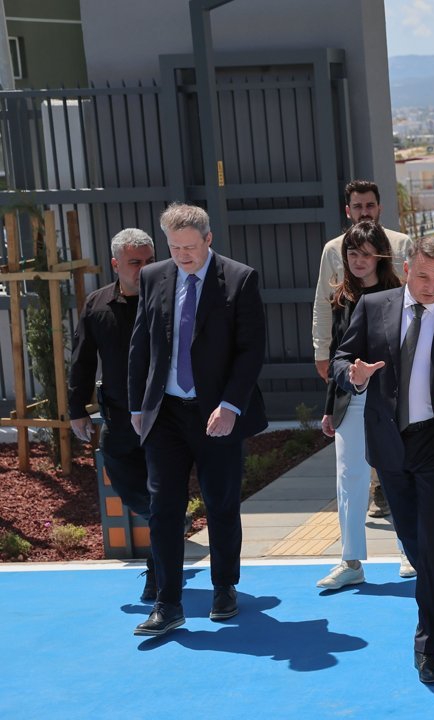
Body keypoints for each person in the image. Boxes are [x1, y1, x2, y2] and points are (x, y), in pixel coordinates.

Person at [332, 237, 434, 685]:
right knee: (410, 536)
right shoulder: (373, 307)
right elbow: (342, 358)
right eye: (422, 276)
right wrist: (353, 375)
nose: (431, 286)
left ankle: (428, 646)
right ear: (406, 269)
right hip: (389, 442)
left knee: (432, 540)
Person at [128, 203, 267, 637]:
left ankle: (224, 587)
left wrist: (230, 406)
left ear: (208, 239)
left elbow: (251, 351)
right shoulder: (153, 277)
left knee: (221, 503)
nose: (182, 255)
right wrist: (138, 407)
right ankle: (168, 602)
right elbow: (140, 345)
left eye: (190, 247)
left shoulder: (240, 279)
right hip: (166, 413)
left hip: (217, 413)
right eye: (174, 247)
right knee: (163, 508)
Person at [312, 180, 412, 521]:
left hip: (390, 369)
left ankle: (388, 492)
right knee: (351, 457)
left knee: (392, 445)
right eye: (357, 206)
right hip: (349, 368)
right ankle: (373, 492)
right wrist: (321, 351)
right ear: (348, 210)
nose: (364, 211)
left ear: (379, 207)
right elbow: (324, 305)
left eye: (370, 205)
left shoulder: (401, 244)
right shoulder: (333, 250)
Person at [316, 222, 405, 590]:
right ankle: (350, 561)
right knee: (349, 479)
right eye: (352, 254)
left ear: (380, 256)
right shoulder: (341, 296)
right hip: (349, 398)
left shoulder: (400, 296)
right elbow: (338, 352)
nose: (358, 261)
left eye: (366, 254)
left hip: (391, 400)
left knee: (397, 474)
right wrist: (329, 407)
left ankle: (410, 550)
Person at [68, 228, 156, 601]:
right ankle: (165, 518)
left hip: (164, 415)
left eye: (150, 261)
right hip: (119, 415)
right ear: (116, 264)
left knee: (161, 487)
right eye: (135, 262)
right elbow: (83, 360)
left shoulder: (168, 299)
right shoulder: (98, 304)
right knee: (123, 477)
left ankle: (159, 571)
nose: (144, 268)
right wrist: (76, 410)